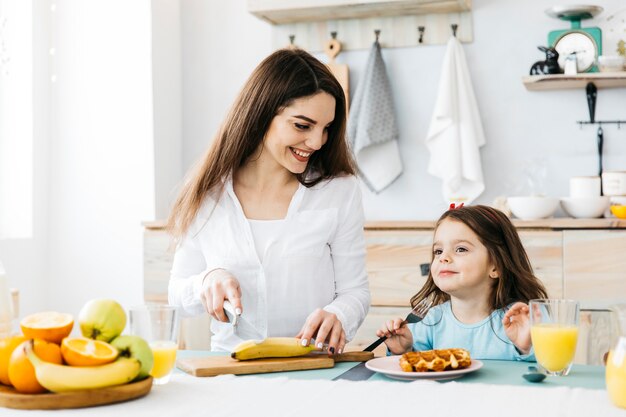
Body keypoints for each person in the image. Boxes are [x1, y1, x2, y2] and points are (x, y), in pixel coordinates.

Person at [167, 48, 370, 354]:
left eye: (326, 128)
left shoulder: (339, 191)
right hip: (230, 370)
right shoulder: (208, 193)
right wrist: (207, 280)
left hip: (312, 364)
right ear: (262, 114)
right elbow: (176, 293)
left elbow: (355, 292)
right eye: (302, 125)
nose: (317, 142)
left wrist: (339, 314)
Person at [377, 204, 548, 360]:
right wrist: (403, 351)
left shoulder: (522, 318)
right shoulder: (428, 321)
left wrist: (527, 348)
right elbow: (416, 376)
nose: (443, 257)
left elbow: (550, 372)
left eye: (461, 249)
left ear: (496, 267)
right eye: (438, 251)